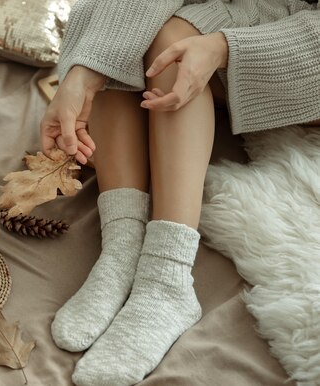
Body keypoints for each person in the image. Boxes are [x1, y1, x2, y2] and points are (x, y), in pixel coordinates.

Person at [40, 1, 320, 385]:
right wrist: (84, 71)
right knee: (125, 31)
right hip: (231, 10)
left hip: (302, 48)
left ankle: (167, 274)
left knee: (172, 38)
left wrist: (222, 46)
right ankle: (123, 246)